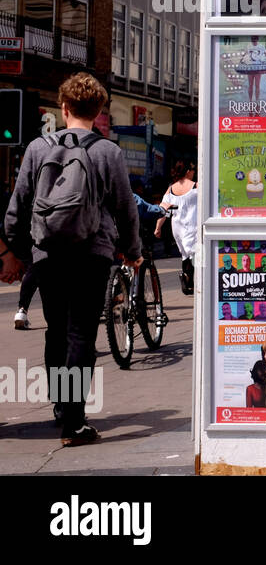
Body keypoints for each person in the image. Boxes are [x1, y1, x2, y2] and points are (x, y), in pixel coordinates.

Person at [4, 73, 140, 447]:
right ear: (98, 112)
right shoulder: (107, 152)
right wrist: (134, 251)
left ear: (63, 108)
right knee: (81, 334)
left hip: (47, 254)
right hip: (91, 256)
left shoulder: (36, 148)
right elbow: (126, 209)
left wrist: (17, 253)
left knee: (56, 332)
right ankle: (74, 421)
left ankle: (62, 407)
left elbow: (17, 207)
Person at [156, 161, 198, 295]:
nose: (194, 171)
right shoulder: (196, 187)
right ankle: (193, 280)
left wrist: (158, 227)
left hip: (178, 228)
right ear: (187, 171)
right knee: (196, 255)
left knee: (185, 255)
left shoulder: (171, 189)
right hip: (194, 226)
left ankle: (187, 277)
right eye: (192, 169)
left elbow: (163, 209)